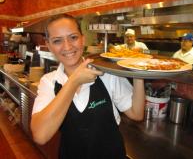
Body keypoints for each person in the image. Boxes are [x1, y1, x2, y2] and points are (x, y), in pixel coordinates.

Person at [30, 14, 145, 159]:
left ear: (82, 39)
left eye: (73, 37)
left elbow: (136, 113)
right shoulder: (49, 82)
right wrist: (74, 81)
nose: (67, 46)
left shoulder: (105, 73)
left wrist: (139, 72)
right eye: (57, 40)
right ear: (49, 45)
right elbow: (40, 136)